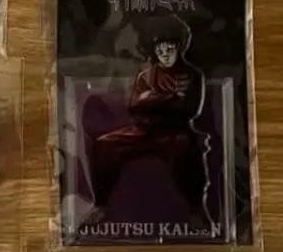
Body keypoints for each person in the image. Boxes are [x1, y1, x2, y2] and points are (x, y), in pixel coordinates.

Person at [84, 15, 209, 227]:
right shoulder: (146, 75)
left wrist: (153, 100)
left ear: (179, 47)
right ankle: (100, 205)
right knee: (104, 145)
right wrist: (168, 97)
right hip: (143, 131)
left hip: (175, 132)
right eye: (160, 50)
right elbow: (135, 105)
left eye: (169, 49)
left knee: (186, 149)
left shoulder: (192, 75)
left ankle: (196, 209)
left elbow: (191, 110)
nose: (165, 54)